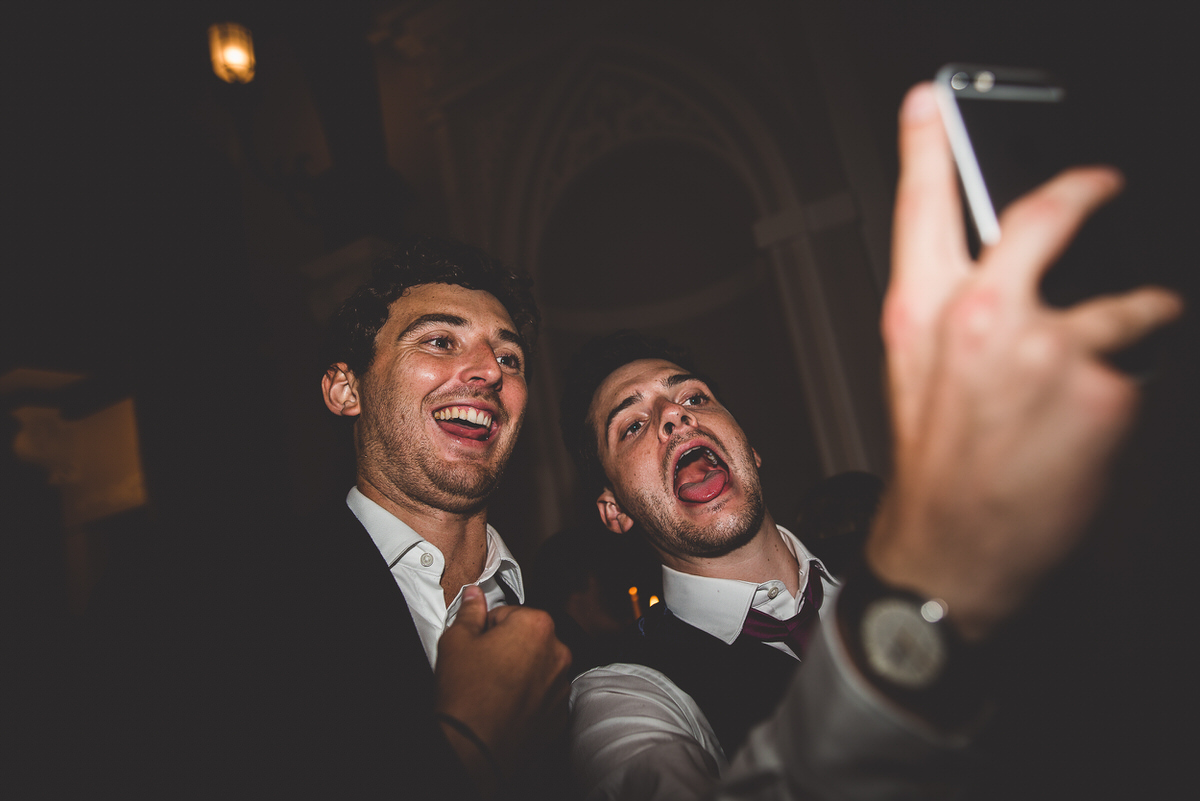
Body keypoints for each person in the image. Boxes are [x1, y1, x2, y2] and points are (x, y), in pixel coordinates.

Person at [560, 81, 1183, 801]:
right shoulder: (625, 693)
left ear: (749, 448)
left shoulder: (884, 579)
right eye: (632, 423)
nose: (675, 417)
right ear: (613, 510)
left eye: (693, 395)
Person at [218, 236, 573, 799]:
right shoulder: (235, 603)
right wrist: (469, 747)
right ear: (345, 390)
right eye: (439, 341)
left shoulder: (568, 621)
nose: (490, 371)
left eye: (510, 358)